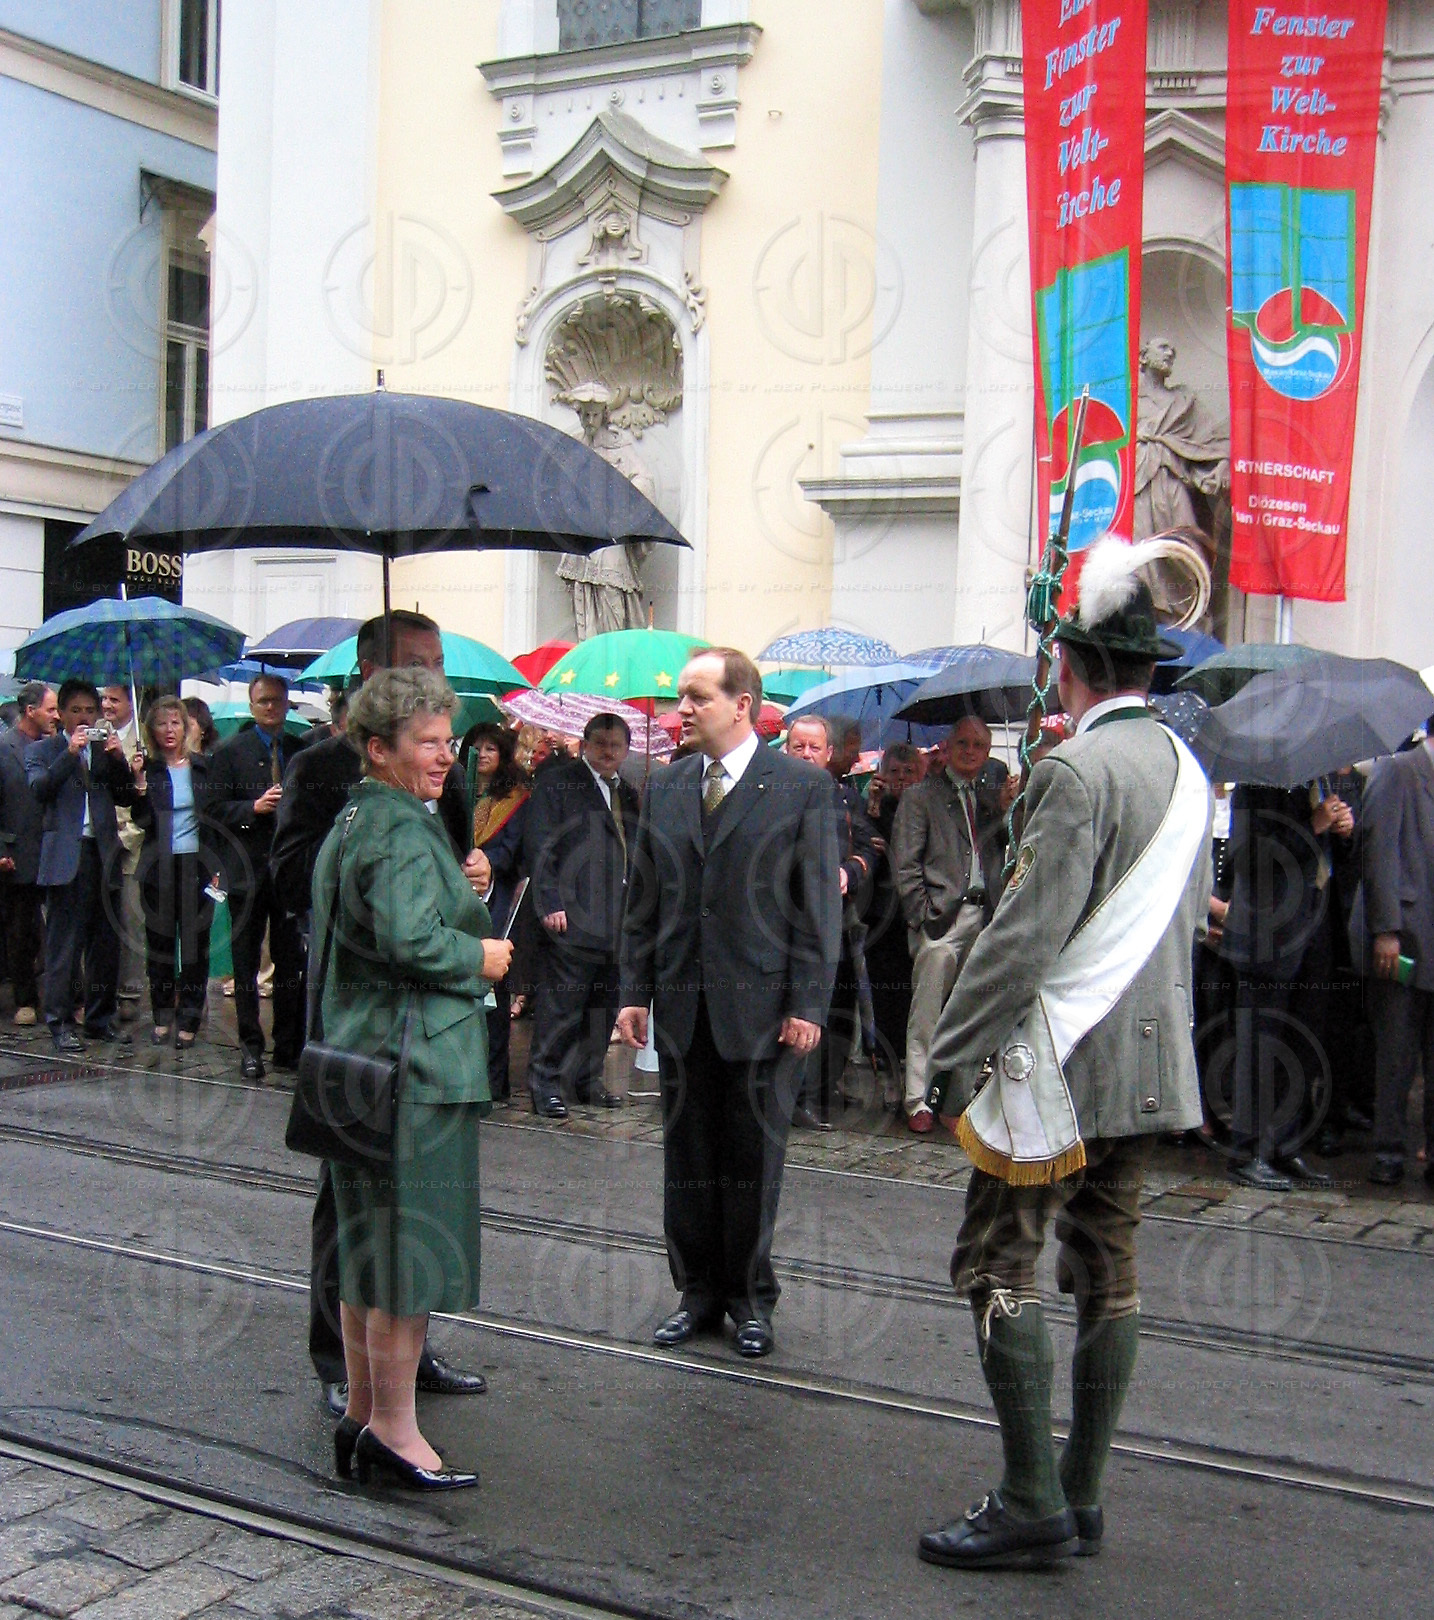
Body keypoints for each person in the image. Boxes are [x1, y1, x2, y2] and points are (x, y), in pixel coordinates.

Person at [916, 540, 1212, 1571]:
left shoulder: (1075, 770)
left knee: (996, 1262)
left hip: (1060, 1068)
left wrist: (948, 1058)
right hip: (1148, 1070)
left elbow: (1022, 939)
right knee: (1106, 1265)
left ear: (1075, 666)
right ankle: (1082, 1496)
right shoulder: (1185, 766)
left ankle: (1031, 1495)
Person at [269, 608, 490, 1418]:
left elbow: (446, 878)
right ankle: (344, 1364)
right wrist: (381, 871)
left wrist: (468, 876)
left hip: (406, 1015)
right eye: (416, 662)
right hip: (367, 1029)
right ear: (370, 667)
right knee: (359, 1210)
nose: (433, 673)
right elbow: (296, 878)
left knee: (401, 1218)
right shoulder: (328, 771)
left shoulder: (433, 765)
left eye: (437, 659)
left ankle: (400, 1362)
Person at [316, 668, 512, 1492]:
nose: (445, 756)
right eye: (426, 743)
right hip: (415, 1066)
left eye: (447, 740)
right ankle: (396, 1435)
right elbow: (406, 939)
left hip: (365, 1060)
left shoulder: (366, 814)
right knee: (406, 1256)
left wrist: (462, 887)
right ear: (379, 748)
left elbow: (387, 915)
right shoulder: (397, 826)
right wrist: (482, 954)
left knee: (368, 1249)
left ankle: (366, 1417)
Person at [617, 649, 840, 1360]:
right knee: (687, 1157)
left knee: (751, 1161)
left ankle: (749, 1298)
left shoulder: (800, 786)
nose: (682, 708)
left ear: (742, 704)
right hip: (684, 1005)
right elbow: (642, 901)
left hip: (765, 1011)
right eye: (682, 696)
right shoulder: (668, 786)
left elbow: (815, 910)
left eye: (697, 696)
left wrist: (807, 1001)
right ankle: (697, 1292)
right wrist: (633, 992)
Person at [1219, 781, 1352, 1189]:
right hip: (1268, 935)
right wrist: (1312, 824)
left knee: (1299, 1042)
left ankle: (1284, 1144)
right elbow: (1248, 857)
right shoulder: (1255, 787)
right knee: (1259, 1046)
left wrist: (1343, 831)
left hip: (1311, 929)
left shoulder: (1317, 783)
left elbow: (1328, 860)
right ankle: (1248, 1150)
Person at [892, 716, 1011, 1134]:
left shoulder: (991, 799)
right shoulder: (921, 796)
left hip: (985, 915)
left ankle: (955, 1098)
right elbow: (905, 865)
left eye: (979, 745)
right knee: (927, 1012)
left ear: (988, 751)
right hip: (941, 919)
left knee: (972, 1012)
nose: (970, 751)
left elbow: (1012, 852)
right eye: (962, 742)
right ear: (947, 746)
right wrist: (923, 915)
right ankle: (919, 1098)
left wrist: (1011, 811)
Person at [524, 712, 639, 1117]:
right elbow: (540, 844)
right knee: (562, 1003)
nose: (609, 752)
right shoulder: (559, 783)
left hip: (616, 917)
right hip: (572, 914)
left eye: (617, 745)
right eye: (602, 743)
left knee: (602, 1003)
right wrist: (549, 899)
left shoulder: (628, 792)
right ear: (585, 744)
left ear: (627, 750)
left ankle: (586, 1079)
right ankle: (545, 1082)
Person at [25, 680, 141, 1052]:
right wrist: (70, 754)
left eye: (90, 711)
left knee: (106, 944)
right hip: (66, 859)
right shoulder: (44, 750)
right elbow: (39, 789)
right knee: (65, 945)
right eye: (75, 710)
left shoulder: (104, 752)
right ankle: (58, 1020)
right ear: (61, 714)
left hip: (103, 853)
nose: (83, 717)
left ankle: (99, 1018)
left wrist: (122, 762)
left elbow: (125, 796)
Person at [206, 673, 305, 1080]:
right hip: (246, 869)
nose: (270, 708)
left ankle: (287, 1044)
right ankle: (250, 1045)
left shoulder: (300, 751)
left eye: (277, 701)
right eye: (263, 701)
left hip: (286, 872)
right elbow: (212, 810)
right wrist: (253, 808)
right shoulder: (231, 752)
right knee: (245, 962)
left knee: (288, 961)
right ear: (251, 705)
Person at [1356, 735, 1434, 1187]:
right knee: (1396, 1054)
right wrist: (1384, 929)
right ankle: (1388, 1151)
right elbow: (1378, 852)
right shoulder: (1398, 770)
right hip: (1403, 937)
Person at [129, 696, 219, 1050]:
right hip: (158, 868)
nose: (169, 730)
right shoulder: (148, 770)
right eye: (162, 723)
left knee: (195, 947)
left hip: (197, 865)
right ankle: (163, 1014)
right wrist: (138, 786)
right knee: (161, 947)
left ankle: (190, 1017)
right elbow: (142, 821)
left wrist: (216, 870)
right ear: (151, 730)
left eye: (176, 722)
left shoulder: (203, 768)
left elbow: (215, 821)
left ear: (186, 727)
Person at [465, 722, 531, 1103]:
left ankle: (494, 1079)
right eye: (478, 747)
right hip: (458, 896)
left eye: (492, 748)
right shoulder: (456, 793)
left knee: (495, 992)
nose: (485, 754)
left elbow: (514, 851)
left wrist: (487, 863)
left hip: (498, 900)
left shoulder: (515, 798)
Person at [863, 741, 924, 1099]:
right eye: (895, 772)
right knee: (883, 988)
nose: (902, 779)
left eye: (909, 772)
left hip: (913, 911)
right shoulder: (877, 805)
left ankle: (909, 1061)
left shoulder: (923, 807)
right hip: (881, 910)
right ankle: (883, 1059)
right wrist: (871, 806)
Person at [0, 683, 59, 1024]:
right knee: (20, 930)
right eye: (51, 709)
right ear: (30, 711)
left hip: (54, 852)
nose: (56, 716)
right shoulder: (5, 749)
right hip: (17, 855)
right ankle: (25, 998)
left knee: (59, 929)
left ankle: (65, 996)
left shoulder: (58, 747)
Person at [101, 685, 146, 1019]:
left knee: (131, 917)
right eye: (104, 699)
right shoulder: (94, 736)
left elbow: (144, 798)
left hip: (132, 843)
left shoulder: (144, 741)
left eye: (114, 699)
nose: (106, 705)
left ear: (131, 702)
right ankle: (97, 986)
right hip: (98, 841)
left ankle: (129, 989)